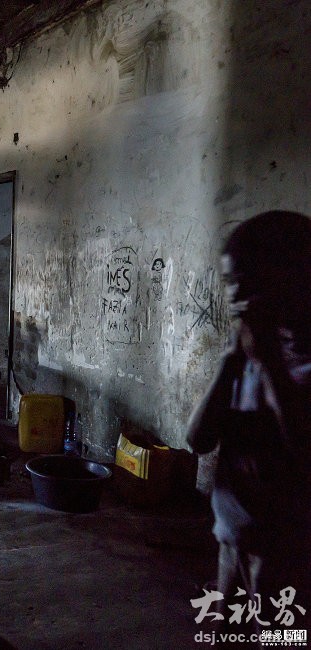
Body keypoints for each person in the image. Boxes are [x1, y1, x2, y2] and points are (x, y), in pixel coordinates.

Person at [187, 211, 310, 632]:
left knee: (279, 641)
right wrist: (230, 360)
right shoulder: (248, 353)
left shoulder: (289, 361)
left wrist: (269, 361)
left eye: (248, 281)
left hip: (288, 561)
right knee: (221, 635)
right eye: (230, 282)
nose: (236, 295)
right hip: (231, 544)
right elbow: (198, 438)